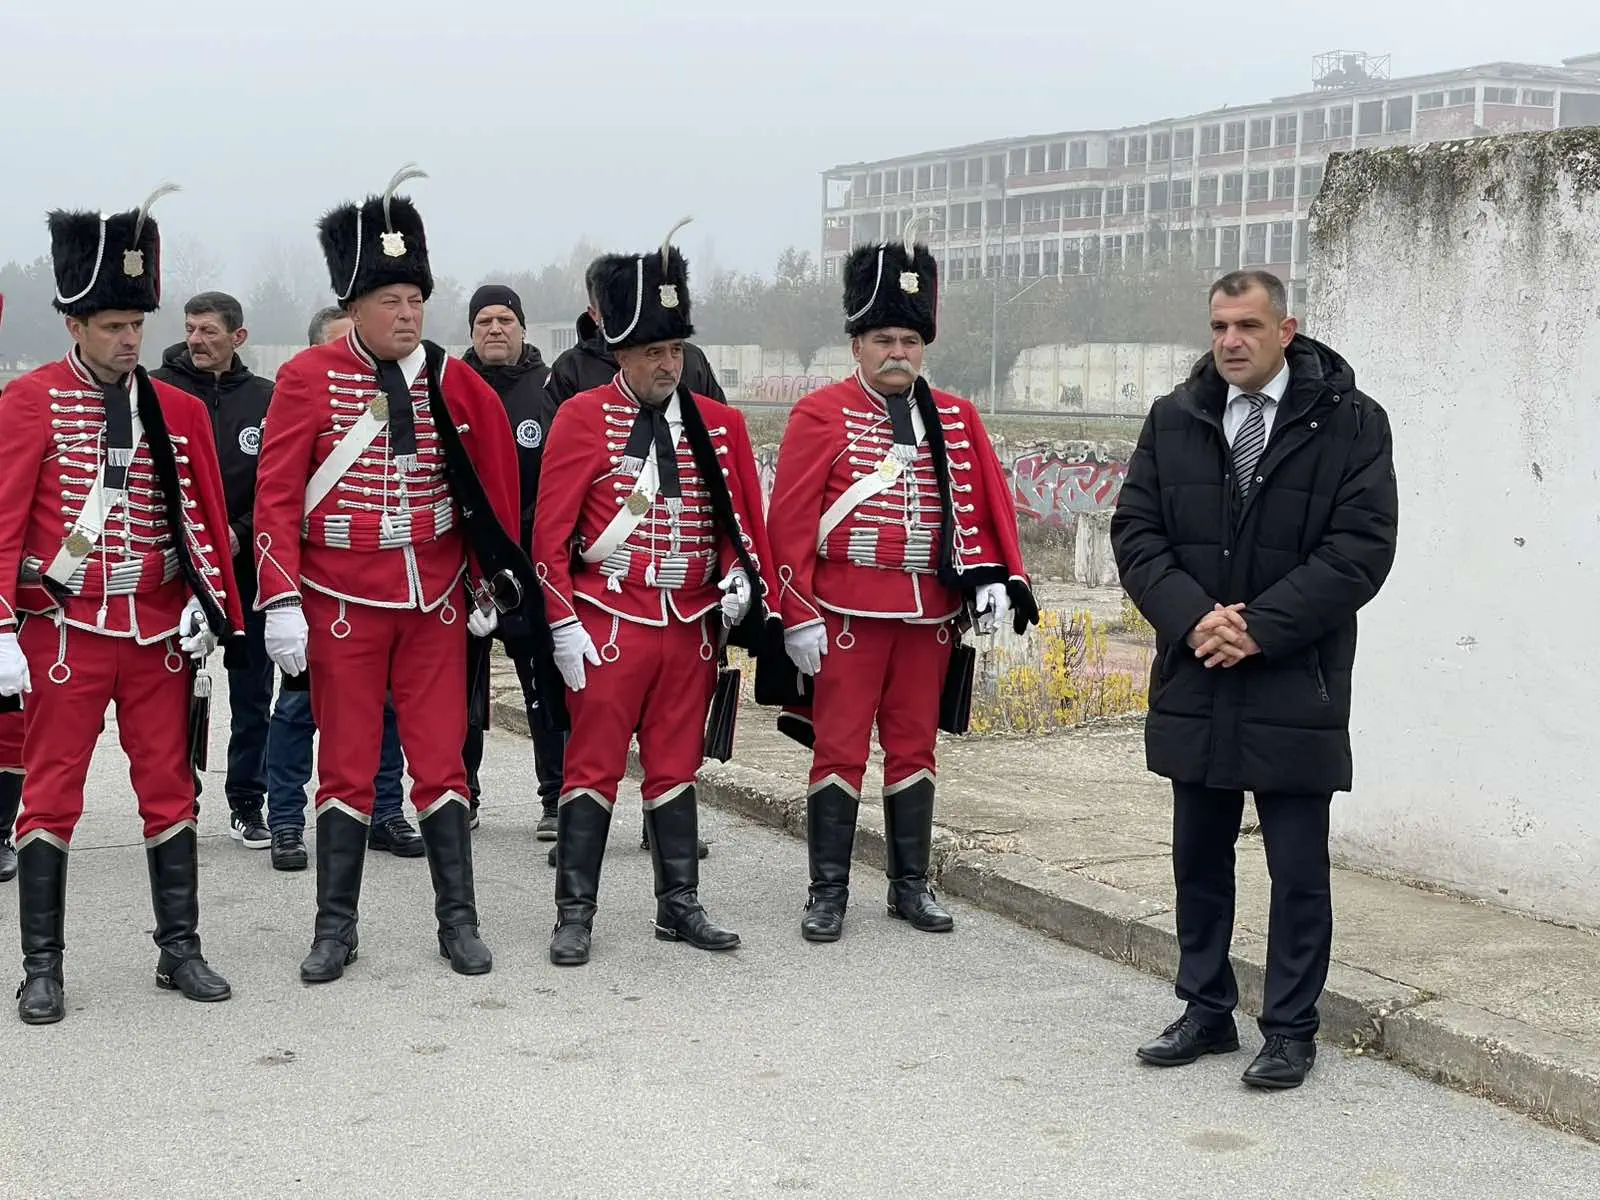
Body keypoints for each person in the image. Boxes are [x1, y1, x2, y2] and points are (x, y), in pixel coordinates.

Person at [1109, 269, 1399, 1091]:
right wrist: (1195, 619)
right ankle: (1205, 1010)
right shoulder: (1176, 417)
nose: (1230, 342)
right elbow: (1137, 532)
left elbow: (1361, 548)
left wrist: (1259, 629)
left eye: (1247, 326)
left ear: (1286, 330)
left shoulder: (1352, 422)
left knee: (1297, 870)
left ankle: (1291, 1029)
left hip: (1294, 678)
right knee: (1198, 859)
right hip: (1197, 670)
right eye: (1218, 327)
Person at [252, 166, 522, 983]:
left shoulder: (453, 378)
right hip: (341, 602)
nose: (407, 314)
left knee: (442, 762)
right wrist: (281, 598)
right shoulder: (306, 378)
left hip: (434, 602)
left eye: (416, 300)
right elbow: (277, 497)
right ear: (354, 306)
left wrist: (487, 581)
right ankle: (335, 929)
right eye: (390, 301)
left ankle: (458, 922)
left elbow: (492, 487)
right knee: (346, 765)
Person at [0, 186, 243, 1023]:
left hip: (157, 630)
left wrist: (209, 604)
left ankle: (180, 949)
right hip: (65, 630)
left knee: (170, 789)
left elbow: (203, 517)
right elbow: (3, 522)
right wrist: (2, 627)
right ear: (75, 325)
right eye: (112, 324)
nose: (130, 338)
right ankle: (42, 968)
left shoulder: (176, 409)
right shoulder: (28, 402)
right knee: (51, 795)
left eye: (137, 322)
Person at [761, 229, 1039, 945]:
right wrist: (796, 611)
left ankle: (910, 886)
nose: (898, 353)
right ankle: (828, 892)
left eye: (910, 341)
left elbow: (985, 506)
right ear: (857, 344)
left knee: (916, 749)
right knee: (840, 751)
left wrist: (996, 578)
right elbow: (788, 523)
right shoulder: (819, 413)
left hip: (929, 617)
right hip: (845, 613)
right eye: (883, 339)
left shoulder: (956, 417)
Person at [531, 222, 777, 967]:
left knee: (676, 767)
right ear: (621, 353)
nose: (669, 365)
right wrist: (561, 623)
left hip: (691, 624)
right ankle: (575, 913)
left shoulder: (720, 425)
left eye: (675, 350)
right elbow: (550, 537)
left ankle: (680, 905)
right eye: (653, 353)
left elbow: (740, 524)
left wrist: (740, 577)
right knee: (592, 769)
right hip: (609, 620)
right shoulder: (581, 417)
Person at [260, 306, 418, 872]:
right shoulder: (302, 393)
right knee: (296, 710)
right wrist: (283, 598)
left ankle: (385, 809)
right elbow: (278, 499)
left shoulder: (397, 393)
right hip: (314, 586)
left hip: (378, 587)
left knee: (385, 707)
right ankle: (284, 820)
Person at [151, 291, 276, 850]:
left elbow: (279, 483)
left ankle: (248, 803)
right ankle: (181, 804)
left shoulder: (266, 399)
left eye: (209, 331)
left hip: (247, 571)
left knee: (252, 696)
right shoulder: (155, 392)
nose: (197, 340)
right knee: (176, 697)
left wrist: (240, 531)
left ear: (238, 336)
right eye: (190, 329)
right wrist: (194, 538)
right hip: (181, 572)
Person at [459, 285, 563, 839]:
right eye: (484, 321)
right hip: (465, 566)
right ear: (471, 331)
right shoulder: (448, 386)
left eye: (505, 319)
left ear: (523, 328)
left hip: (529, 562)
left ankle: (557, 796)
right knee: (459, 689)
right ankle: (461, 794)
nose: (495, 329)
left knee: (544, 683)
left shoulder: (549, 390)